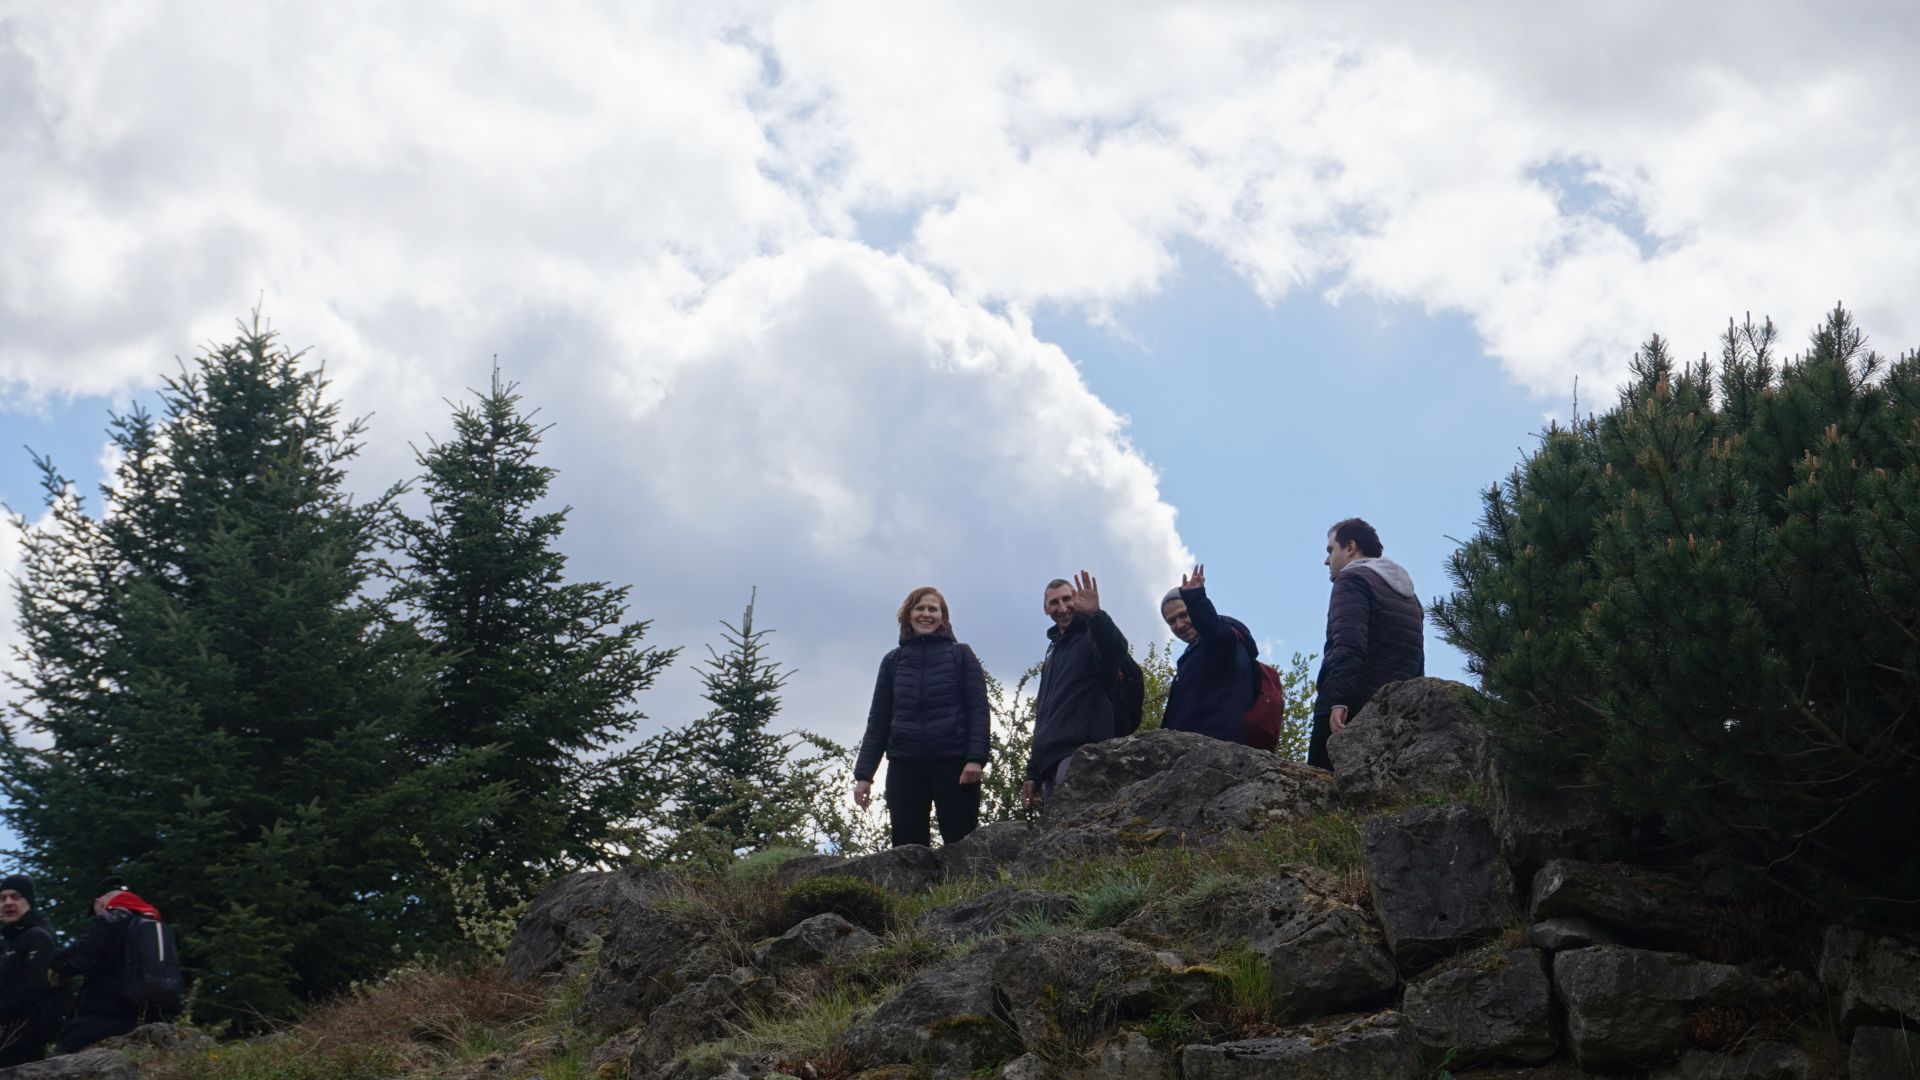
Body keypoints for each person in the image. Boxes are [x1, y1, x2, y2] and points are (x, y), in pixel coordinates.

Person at [853, 586, 991, 847]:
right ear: (908, 616)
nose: (926, 614)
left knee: (962, 846)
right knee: (907, 850)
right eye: (919, 608)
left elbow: (978, 709)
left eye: (932, 609)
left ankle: (966, 890)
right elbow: (878, 721)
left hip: (955, 766)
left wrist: (975, 759)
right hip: (905, 767)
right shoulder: (893, 662)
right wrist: (864, 776)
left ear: (943, 618)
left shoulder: (961, 655)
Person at [1312, 518, 1425, 768]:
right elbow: (1417, 660)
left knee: (1321, 795)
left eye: (1331, 550)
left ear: (1350, 547)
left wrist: (1337, 700)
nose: (1326, 560)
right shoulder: (1409, 597)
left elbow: (1349, 643)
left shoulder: (1352, 580)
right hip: (1394, 714)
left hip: (1348, 709)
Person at [1023, 571, 1132, 806]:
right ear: (1045, 609)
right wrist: (1033, 773)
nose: (1062, 608)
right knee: (1059, 835)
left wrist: (1096, 616)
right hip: (1050, 759)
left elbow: (1116, 651)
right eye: (1054, 602)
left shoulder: (1091, 637)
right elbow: (1044, 715)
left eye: (1067, 599)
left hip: (1082, 752)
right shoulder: (1053, 654)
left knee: (1078, 827)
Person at [49, 877, 169, 1053]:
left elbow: (85, 953)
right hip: (150, 1016)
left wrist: (57, 966)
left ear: (99, 903)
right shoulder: (156, 925)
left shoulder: (110, 918)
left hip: (105, 1016)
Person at [1161, 564, 1257, 744]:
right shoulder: (1192, 654)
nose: (1179, 625)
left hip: (1214, 746)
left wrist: (1196, 600)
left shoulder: (1223, 640)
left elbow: (1217, 635)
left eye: (1184, 615)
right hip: (1186, 749)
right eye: (1171, 621)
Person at [0, 875, 57, 1067]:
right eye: (2, 898)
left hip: (25, 1039)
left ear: (29, 902)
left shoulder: (37, 936)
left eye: (16, 897)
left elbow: (36, 986)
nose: (8, 903)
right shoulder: (13, 940)